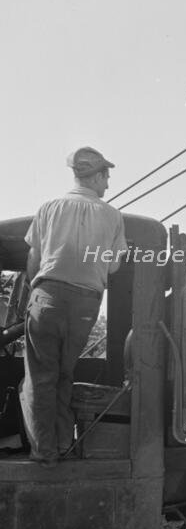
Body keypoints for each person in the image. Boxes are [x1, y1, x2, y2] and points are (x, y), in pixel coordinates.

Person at [20, 147, 127, 467]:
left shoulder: (48, 208)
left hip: (47, 298)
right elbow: (114, 268)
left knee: (40, 378)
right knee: (65, 374)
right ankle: (64, 443)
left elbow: (33, 261)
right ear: (95, 176)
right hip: (86, 304)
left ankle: (44, 451)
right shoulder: (112, 215)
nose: (108, 184)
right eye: (106, 176)